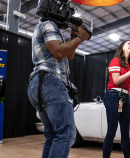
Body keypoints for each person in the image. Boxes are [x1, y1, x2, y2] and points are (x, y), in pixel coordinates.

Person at [27, 2, 90, 158]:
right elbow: (58, 51)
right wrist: (81, 37)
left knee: (53, 135)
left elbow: (69, 54)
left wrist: (75, 35)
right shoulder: (48, 24)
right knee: (66, 133)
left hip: (40, 83)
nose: (67, 13)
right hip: (50, 81)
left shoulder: (43, 26)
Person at [103, 40, 130, 158]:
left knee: (125, 133)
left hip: (125, 98)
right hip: (113, 96)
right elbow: (116, 81)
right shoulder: (116, 61)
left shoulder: (129, 65)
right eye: (128, 43)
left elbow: (129, 86)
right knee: (112, 131)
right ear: (122, 47)